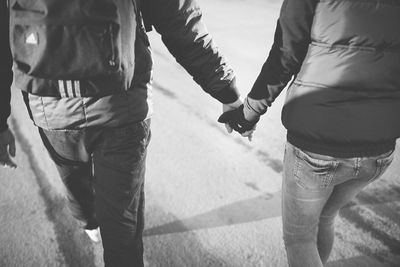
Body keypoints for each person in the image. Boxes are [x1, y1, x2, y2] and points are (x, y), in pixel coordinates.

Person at [0, 0, 244, 266]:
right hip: (122, 105)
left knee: (75, 184)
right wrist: (227, 89)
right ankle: (98, 223)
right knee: (122, 230)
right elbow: (179, 20)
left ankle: (89, 220)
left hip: (51, 105)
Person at [219, 0, 400, 266]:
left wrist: (247, 115)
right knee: (324, 218)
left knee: (300, 239)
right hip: (379, 147)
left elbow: (284, 56)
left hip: (317, 144)